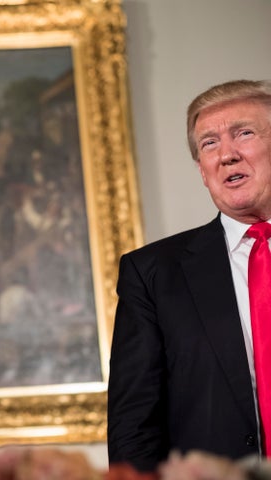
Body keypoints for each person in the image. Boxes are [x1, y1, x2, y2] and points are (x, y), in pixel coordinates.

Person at [107, 79, 271, 472]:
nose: (225, 155)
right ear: (201, 170)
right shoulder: (152, 275)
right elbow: (134, 428)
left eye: (243, 133)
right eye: (208, 144)